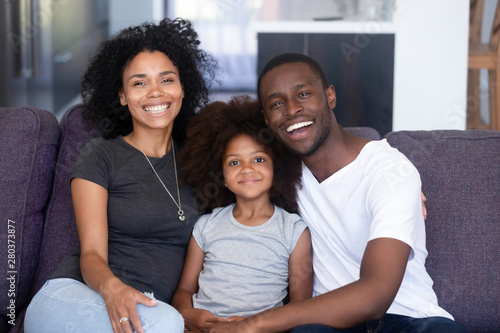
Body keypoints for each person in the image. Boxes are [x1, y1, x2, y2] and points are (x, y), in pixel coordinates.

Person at [206, 53, 466, 333]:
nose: (292, 109)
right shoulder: (274, 171)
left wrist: (251, 325)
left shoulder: (390, 172)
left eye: (303, 94)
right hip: (326, 325)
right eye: (277, 103)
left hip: (408, 319)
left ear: (330, 96)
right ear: (267, 120)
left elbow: (376, 295)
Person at [24, 18, 218, 333]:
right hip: (76, 297)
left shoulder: (199, 159)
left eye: (167, 80)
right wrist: (115, 291)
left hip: (150, 308)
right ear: (123, 96)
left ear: (184, 87)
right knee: (168, 323)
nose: (155, 93)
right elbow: (91, 254)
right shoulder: (101, 155)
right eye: (139, 83)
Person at [172, 96, 313, 332]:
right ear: (222, 176)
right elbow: (185, 290)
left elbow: (300, 307)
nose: (247, 169)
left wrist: (252, 326)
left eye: (258, 159)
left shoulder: (293, 230)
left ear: (276, 168)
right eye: (234, 163)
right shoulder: (206, 225)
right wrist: (187, 314)